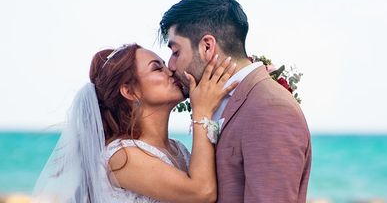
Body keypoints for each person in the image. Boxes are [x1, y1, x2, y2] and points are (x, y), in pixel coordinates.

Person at [35, 43, 237, 203]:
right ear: (130, 91)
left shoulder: (179, 149)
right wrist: (202, 111)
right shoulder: (120, 156)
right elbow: (202, 192)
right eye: (157, 68)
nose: (170, 71)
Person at [160, 0, 312, 203]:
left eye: (176, 52)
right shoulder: (214, 101)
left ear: (207, 46)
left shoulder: (270, 108)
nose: (171, 65)